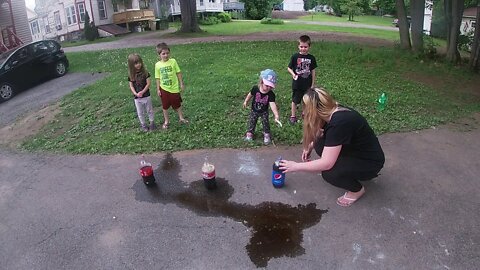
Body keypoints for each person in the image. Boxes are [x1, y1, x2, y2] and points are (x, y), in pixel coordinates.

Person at [279, 87, 385, 207]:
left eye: (306, 109)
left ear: (315, 110)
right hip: (355, 151)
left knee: (329, 172)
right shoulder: (332, 110)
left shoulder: (339, 123)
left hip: (370, 162)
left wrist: (295, 166)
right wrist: (310, 145)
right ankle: (349, 170)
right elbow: (323, 134)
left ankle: (357, 190)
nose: (303, 113)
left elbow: (326, 163)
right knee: (319, 144)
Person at [242, 69, 280, 145]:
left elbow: (272, 104)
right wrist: (246, 101)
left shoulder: (271, 94)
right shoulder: (255, 88)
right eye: (267, 85)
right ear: (262, 81)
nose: (269, 88)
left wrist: (276, 114)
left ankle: (266, 134)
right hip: (254, 110)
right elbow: (250, 95)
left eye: (271, 86)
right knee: (252, 121)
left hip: (264, 112)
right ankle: (250, 133)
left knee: (266, 123)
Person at [155, 42, 188, 129]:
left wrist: (181, 83)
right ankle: (166, 121)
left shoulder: (173, 61)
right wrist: (158, 89)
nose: (166, 55)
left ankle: (181, 118)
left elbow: (178, 72)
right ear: (159, 55)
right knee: (165, 106)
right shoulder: (157, 65)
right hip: (164, 89)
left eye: (167, 53)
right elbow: (157, 78)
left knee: (177, 104)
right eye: (163, 54)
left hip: (174, 88)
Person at [287, 35, 317, 125]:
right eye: (301, 46)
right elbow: (289, 68)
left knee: (306, 100)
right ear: (298, 46)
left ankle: (304, 113)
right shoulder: (295, 56)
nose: (303, 49)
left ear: (309, 47)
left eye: (305, 47)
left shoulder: (311, 58)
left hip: (307, 84)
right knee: (295, 100)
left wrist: (312, 83)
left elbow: (313, 71)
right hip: (297, 84)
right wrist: (293, 74)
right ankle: (293, 116)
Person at [127, 53, 155, 131]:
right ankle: (143, 125)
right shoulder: (131, 75)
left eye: (139, 62)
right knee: (140, 112)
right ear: (131, 65)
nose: (138, 65)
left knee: (149, 110)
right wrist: (135, 93)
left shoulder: (145, 73)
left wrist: (143, 91)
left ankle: (152, 123)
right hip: (137, 98)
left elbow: (148, 83)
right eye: (136, 63)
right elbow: (131, 86)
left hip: (146, 95)